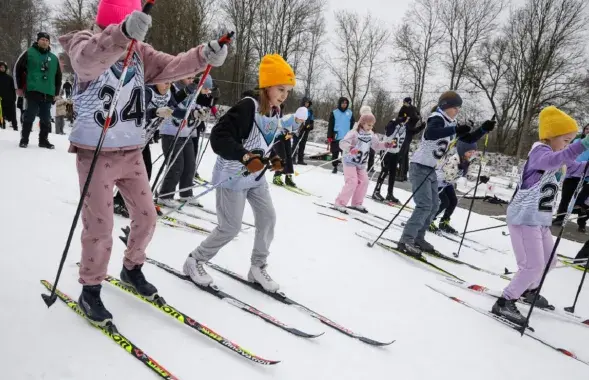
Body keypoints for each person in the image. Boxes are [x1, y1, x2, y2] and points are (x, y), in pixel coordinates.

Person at [58, 0, 228, 324]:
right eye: (123, 33)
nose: (127, 46)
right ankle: (90, 289)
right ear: (108, 25)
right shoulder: (85, 43)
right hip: (95, 153)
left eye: (131, 38)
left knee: (148, 217)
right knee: (101, 226)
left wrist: (204, 56)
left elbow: (174, 66)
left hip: (132, 151)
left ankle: (131, 268)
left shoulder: (140, 53)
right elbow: (86, 63)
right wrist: (120, 35)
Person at [183, 53, 294, 292]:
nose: (284, 96)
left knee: (268, 219)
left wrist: (273, 158)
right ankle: (195, 260)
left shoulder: (274, 113)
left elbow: (265, 142)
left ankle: (257, 267)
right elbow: (219, 137)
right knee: (230, 227)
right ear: (267, 86)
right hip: (231, 178)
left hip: (255, 179)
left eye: (287, 91)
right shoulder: (247, 106)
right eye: (281, 89)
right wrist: (244, 156)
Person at [492, 106, 589, 325]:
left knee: (549, 261)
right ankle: (505, 301)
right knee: (533, 265)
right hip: (525, 218)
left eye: (572, 141)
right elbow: (553, 161)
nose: (569, 145)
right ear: (551, 136)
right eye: (567, 140)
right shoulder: (539, 152)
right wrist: (581, 145)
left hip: (541, 220)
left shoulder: (559, 156)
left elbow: (575, 168)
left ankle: (528, 289)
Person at [398, 91, 494, 257]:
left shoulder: (451, 122)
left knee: (435, 205)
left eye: (459, 108)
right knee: (424, 205)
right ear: (445, 106)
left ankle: (419, 238)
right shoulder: (437, 117)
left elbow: (468, 139)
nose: (457, 111)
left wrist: (483, 129)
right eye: (455, 107)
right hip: (419, 166)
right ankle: (406, 239)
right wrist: (455, 129)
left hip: (430, 169)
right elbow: (430, 133)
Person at [113, 82, 175, 218]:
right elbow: (136, 112)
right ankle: (119, 200)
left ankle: (133, 200)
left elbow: (176, 107)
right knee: (131, 170)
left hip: (144, 139)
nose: (167, 86)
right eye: (164, 82)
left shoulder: (168, 94)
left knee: (145, 170)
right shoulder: (148, 91)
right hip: (130, 137)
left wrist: (193, 112)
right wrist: (155, 112)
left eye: (170, 83)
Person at [157, 77, 208, 208]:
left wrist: (201, 112)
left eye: (193, 77)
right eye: (189, 77)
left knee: (190, 165)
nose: (191, 80)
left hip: (187, 132)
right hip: (171, 132)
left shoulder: (193, 90)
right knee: (176, 165)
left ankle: (185, 193)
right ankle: (165, 195)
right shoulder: (171, 87)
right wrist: (192, 113)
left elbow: (197, 104)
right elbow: (172, 107)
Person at [333, 111, 392, 214]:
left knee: (364, 181)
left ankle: (356, 203)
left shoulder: (371, 135)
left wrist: (385, 145)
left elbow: (376, 145)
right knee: (352, 181)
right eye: (369, 125)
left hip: (361, 164)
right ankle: (340, 203)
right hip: (350, 161)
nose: (370, 127)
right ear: (362, 123)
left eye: (372, 125)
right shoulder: (354, 133)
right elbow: (342, 143)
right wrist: (350, 147)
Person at [15, 32, 62, 149]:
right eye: (42, 39)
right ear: (37, 41)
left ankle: (43, 140)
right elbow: (17, 68)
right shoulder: (29, 53)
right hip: (33, 89)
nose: (45, 42)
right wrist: (19, 87)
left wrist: (56, 93)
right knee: (30, 115)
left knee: (46, 118)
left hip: (48, 92)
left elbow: (58, 77)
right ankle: (24, 139)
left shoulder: (54, 58)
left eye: (47, 40)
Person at [431, 139, 479, 234]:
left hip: (447, 184)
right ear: (462, 150)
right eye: (469, 152)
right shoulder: (453, 159)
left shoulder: (465, 161)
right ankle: (429, 220)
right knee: (444, 202)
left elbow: (468, 176)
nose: (471, 154)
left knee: (453, 201)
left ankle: (444, 222)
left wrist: (480, 178)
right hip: (439, 182)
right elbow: (449, 177)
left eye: (473, 152)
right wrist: (458, 168)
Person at [372, 114, 420, 203]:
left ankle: (389, 194)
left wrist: (421, 127)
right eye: (406, 118)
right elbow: (389, 128)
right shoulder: (394, 123)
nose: (407, 119)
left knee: (393, 174)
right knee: (384, 171)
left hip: (395, 153)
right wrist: (400, 119)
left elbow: (412, 132)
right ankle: (376, 191)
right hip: (386, 151)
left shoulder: (405, 127)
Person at [553, 124, 589, 232]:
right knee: (565, 197)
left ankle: (581, 223)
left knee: (583, 202)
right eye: (587, 129)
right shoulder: (577, 142)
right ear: (583, 131)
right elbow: (568, 155)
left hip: (586, 177)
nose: (588, 131)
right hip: (572, 173)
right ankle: (560, 218)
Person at [272, 106, 307, 187]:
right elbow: (277, 124)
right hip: (278, 137)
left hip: (287, 137)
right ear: (297, 116)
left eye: (303, 120)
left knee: (289, 156)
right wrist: (285, 131)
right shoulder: (289, 118)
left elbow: (295, 131)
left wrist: (292, 133)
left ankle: (288, 177)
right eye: (301, 119)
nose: (302, 121)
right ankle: (277, 176)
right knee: (282, 156)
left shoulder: (301, 122)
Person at [192, 74, 217, 181]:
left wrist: (216, 115)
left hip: (197, 126)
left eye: (209, 89)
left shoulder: (207, 96)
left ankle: (193, 170)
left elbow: (211, 108)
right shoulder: (194, 94)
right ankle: (188, 171)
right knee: (190, 149)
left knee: (195, 148)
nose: (208, 90)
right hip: (188, 127)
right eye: (205, 88)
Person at [396, 97, 424, 181]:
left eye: (404, 102)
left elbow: (402, 118)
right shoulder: (410, 109)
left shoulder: (409, 109)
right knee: (404, 154)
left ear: (407, 102)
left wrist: (406, 120)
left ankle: (401, 174)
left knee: (401, 154)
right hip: (407, 132)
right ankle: (403, 174)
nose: (403, 103)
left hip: (406, 132)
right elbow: (401, 117)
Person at [327, 97, 354, 174]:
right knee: (335, 152)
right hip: (336, 135)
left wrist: (352, 134)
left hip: (346, 137)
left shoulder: (350, 113)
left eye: (346, 103)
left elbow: (352, 124)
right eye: (343, 103)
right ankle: (335, 167)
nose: (344, 104)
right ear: (340, 103)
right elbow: (330, 125)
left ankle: (344, 168)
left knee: (345, 154)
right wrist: (329, 136)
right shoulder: (334, 112)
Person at [293, 97, 314, 165]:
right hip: (299, 129)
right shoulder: (300, 109)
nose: (307, 104)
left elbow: (312, 120)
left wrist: (310, 126)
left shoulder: (310, 111)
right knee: (296, 143)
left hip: (306, 130)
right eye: (306, 102)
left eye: (308, 103)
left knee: (302, 144)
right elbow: (296, 119)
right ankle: (292, 158)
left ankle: (300, 159)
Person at [0, 61, 18, 131]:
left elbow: (13, 89)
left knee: (13, 115)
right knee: (1, 115)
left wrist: (14, 98)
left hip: (10, 100)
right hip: (0, 100)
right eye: (1, 67)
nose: (2, 68)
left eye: (3, 67)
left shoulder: (9, 78)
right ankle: (2, 127)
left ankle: (15, 128)